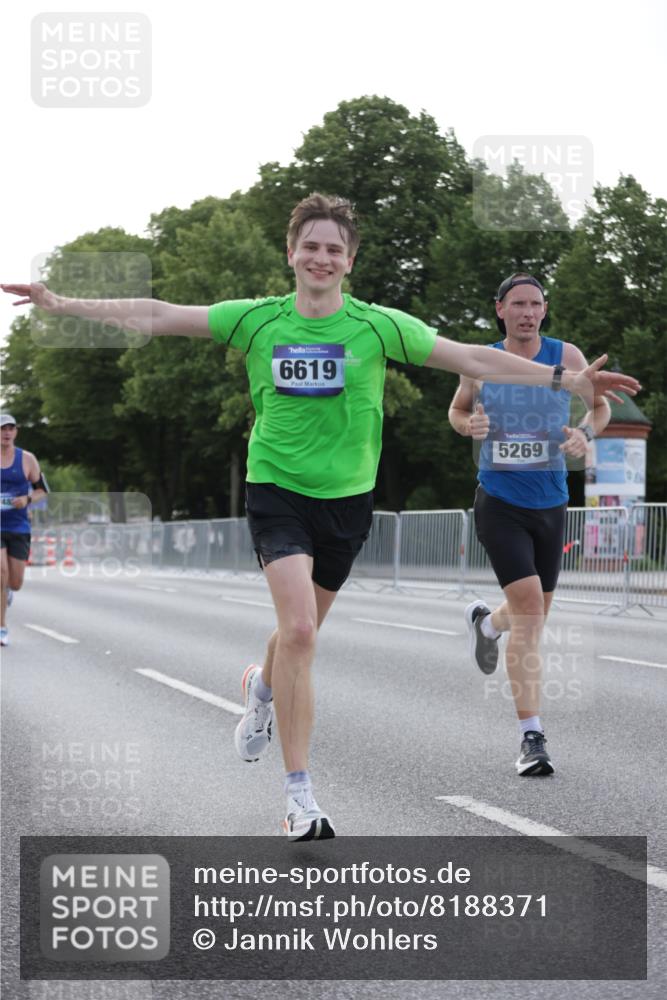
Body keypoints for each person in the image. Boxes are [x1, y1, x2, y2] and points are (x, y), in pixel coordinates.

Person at [2, 198, 640, 836]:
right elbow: (159, 314)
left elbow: (472, 358)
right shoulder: (256, 319)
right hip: (276, 491)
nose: (322, 258)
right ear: (291, 253)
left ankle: (260, 686)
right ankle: (299, 796)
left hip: (347, 502)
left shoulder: (378, 326)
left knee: (294, 637)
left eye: (335, 249)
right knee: (302, 632)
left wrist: (563, 381)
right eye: (311, 246)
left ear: (350, 261)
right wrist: (64, 304)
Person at [448, 272, 619, 777]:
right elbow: (457, 412)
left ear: (545, 310)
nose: (527, 312)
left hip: (552, 502)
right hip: (499, 500)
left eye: (535, 304)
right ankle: (531, 738)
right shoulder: (479, 361)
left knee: (534, 612)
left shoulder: (567, 358)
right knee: (529, 613)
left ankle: (485, 624)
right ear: (499, 309)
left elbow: (601, 407)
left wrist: (584, 434)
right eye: (517, 304)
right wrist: (469, 425)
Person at [1, 414, 49, 645]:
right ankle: (1, 628)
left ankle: (8, 591)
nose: (6, 433)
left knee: (15, 582)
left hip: (18, 525)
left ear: (16, 432)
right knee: (0, 573)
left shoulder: (28, 459)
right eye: (2, 429)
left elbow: (42, 491)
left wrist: (27, 499)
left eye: (10, 428)